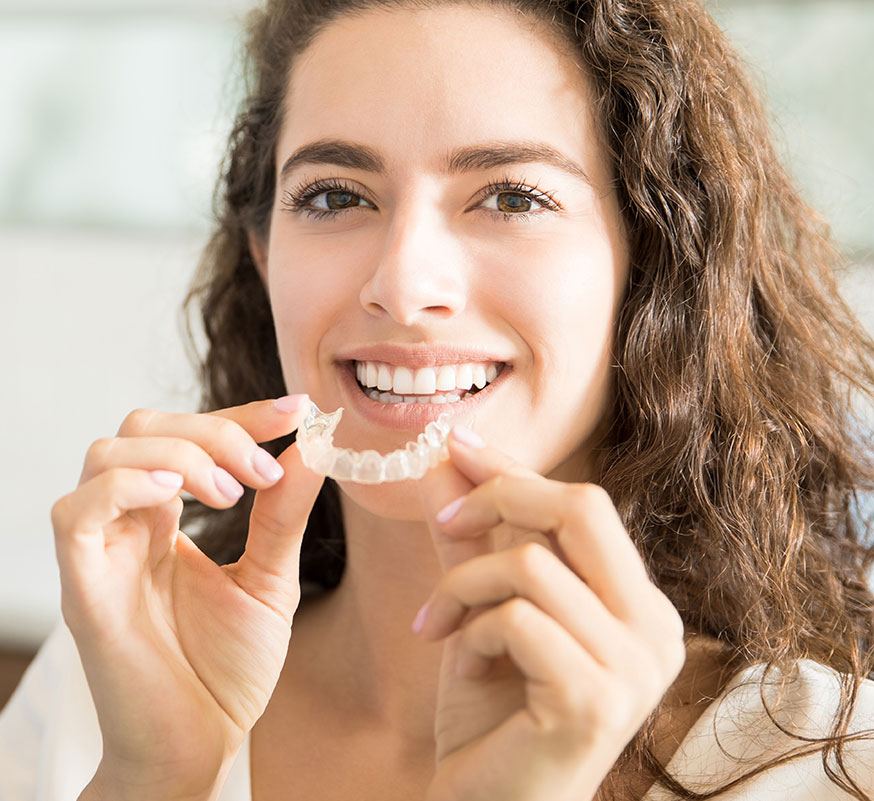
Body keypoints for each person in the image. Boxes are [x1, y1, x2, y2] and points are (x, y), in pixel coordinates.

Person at [2, 0, 874, 798]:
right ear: (266, 261)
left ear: (649, 268)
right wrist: (152, 775)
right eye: (335, 195)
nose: (403, 282)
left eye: (511, 196)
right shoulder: (106, 690)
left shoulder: (823, 764)